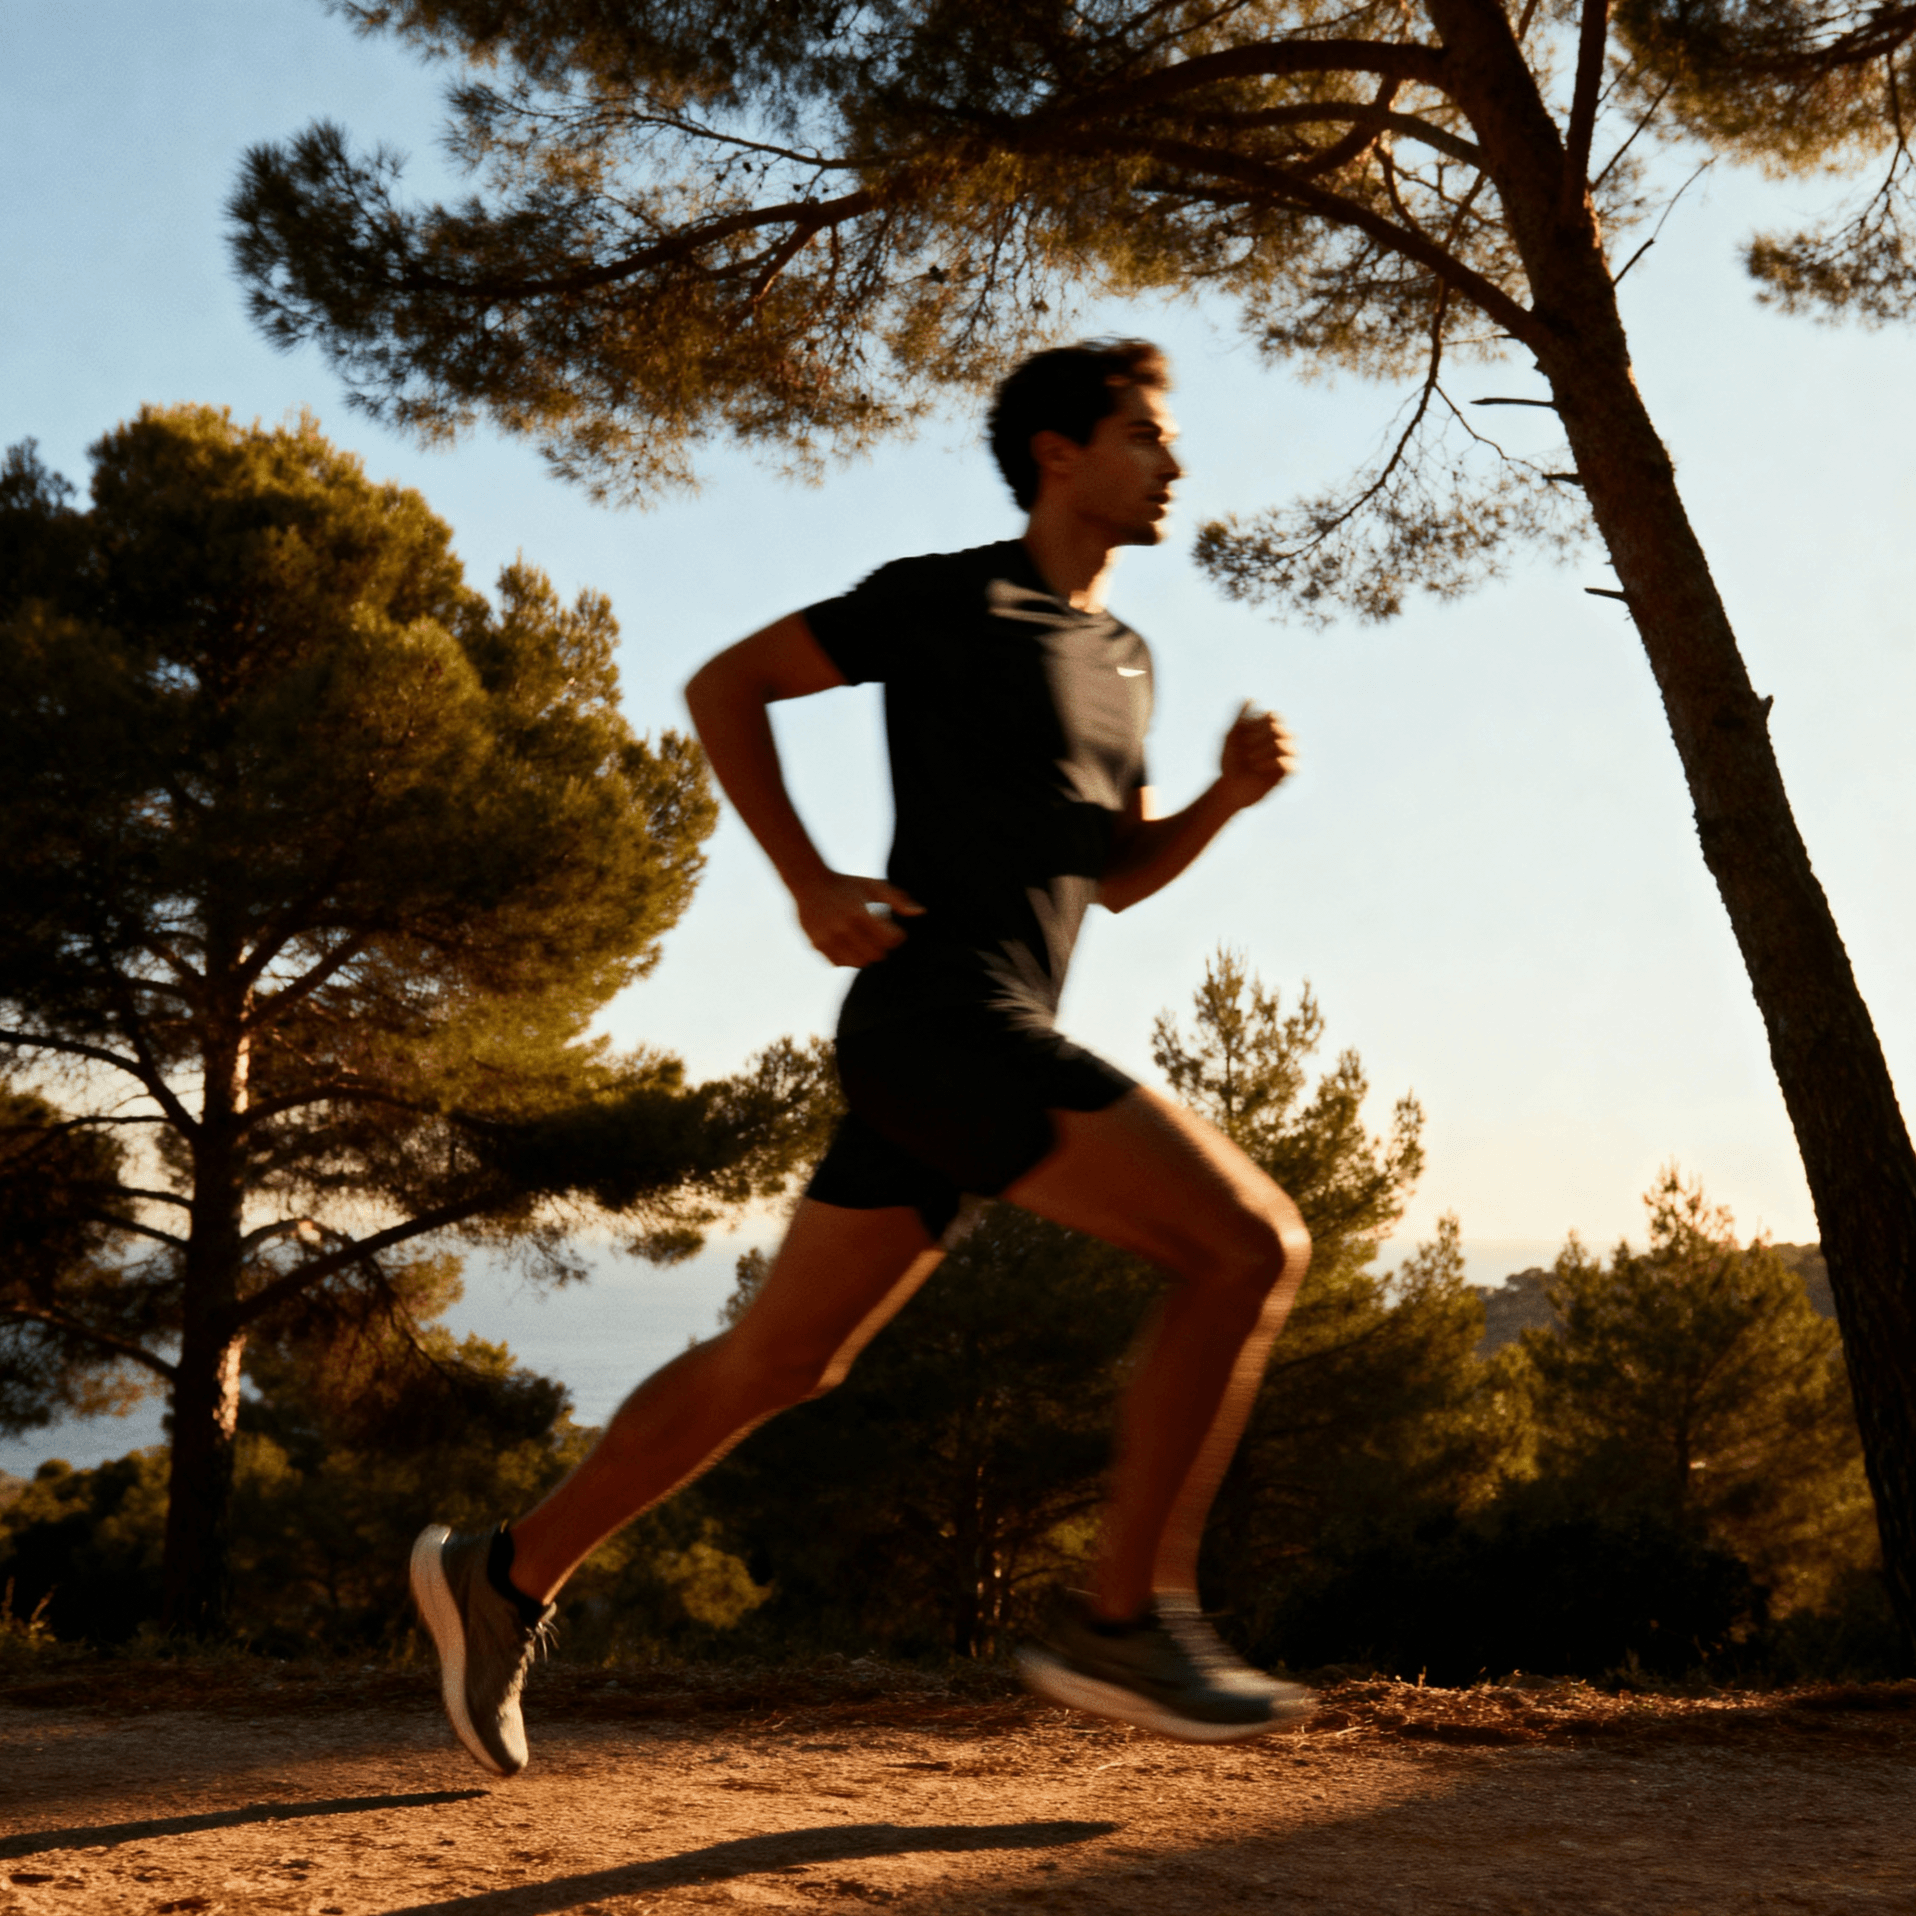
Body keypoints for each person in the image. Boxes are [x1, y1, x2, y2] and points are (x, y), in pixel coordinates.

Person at [410, 339, 1314, 1778]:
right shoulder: (949, 597)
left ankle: (503, 1573)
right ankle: (1121, 1620)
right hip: (942, 1017)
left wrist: (1223, 799)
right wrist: (808, 878)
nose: (1174, 463)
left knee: (783, 1361)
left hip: (972, 1034)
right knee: (1248, 1247)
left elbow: (1116, 876)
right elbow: (727, 685)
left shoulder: (1125, 661)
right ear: (1058, 454)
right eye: (1145, 433)